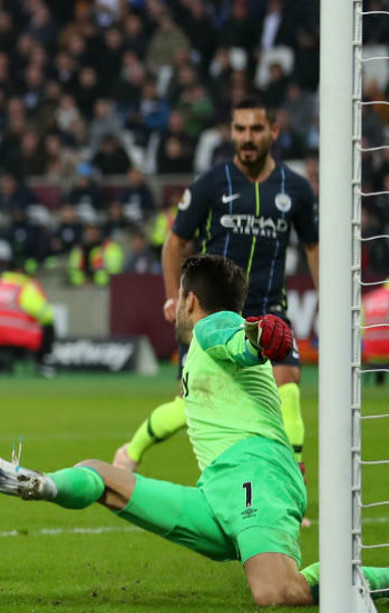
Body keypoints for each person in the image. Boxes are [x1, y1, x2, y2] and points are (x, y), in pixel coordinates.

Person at [0, 255, 389, 606]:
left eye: (177, 297)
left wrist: (261, 335)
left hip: (256, 476)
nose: (171, 307)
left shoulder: (212, 327)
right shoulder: (201, 356)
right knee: (101, 476)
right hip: (217, 489)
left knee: (278, 594)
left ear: (193, 301)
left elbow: (240, 338)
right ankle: (35, 483)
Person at [114, 94, 319, 487]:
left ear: (273, 131)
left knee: (287, 381)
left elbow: (313, 245)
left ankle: (292, 480)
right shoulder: (211, 183)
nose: (247, 137)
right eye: (240, 129)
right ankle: (132, 451)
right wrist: (175, 298)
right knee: (190, 404)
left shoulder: (295, 189)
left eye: (256, 129)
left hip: (268, 309)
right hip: (214, 314)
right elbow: (174, 241)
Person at [0, 267, 55, 376]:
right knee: (48, 326)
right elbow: (46, 315)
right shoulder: (25, 286)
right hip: (14, 335)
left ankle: (2, 365)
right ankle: (42, 364)